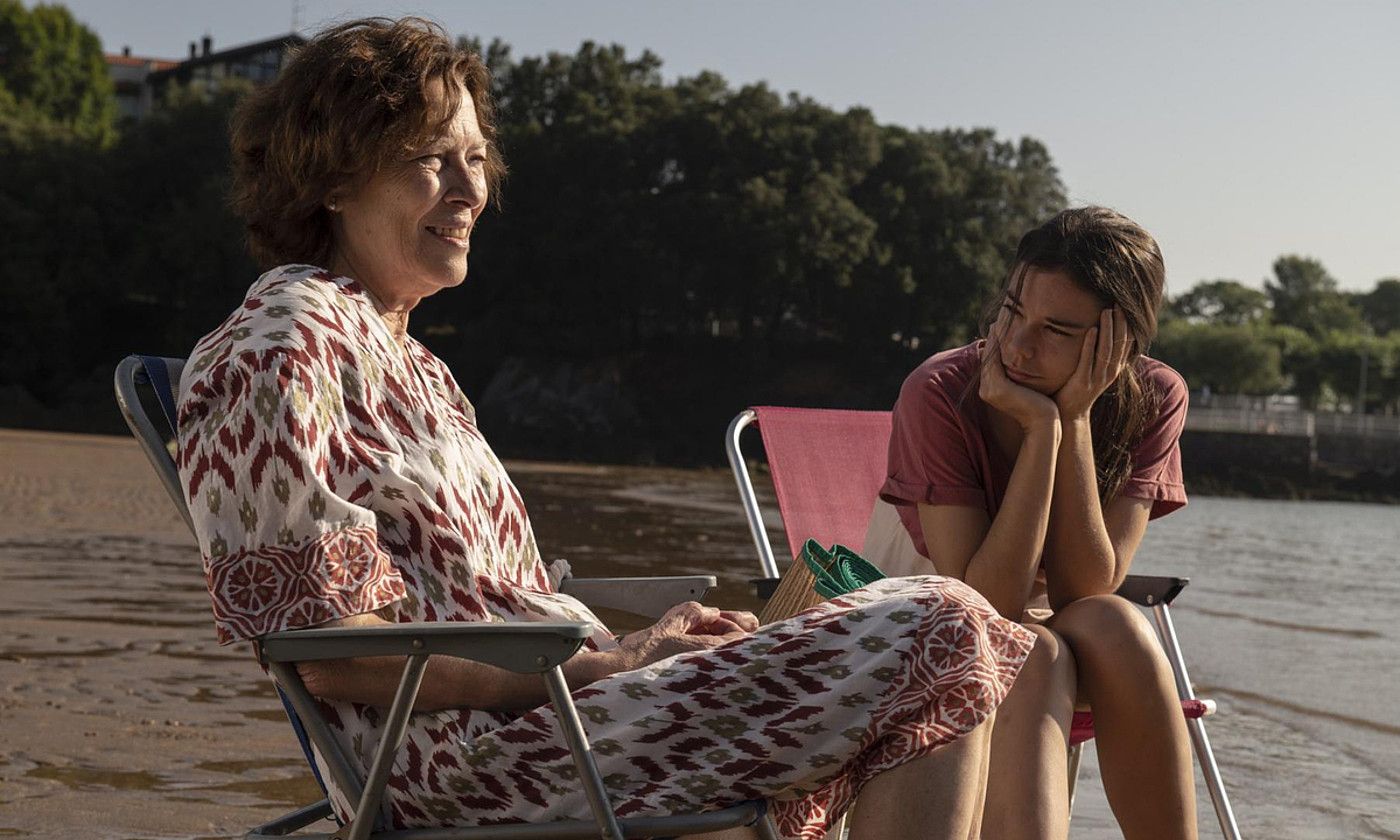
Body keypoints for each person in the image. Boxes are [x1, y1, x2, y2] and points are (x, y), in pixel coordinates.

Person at [175, 17, 1035, 839]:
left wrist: (636, 645)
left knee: (920, 627)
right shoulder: (280, 345)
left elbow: (480, 597)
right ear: (331, 176)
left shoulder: (413, 363)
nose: (472, 189)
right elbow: (330, 655)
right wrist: (595, 666)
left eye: (476, 158)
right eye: (432, 160)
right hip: (463, 761)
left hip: (560, 716)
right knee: (944, 622)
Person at [868, 206, 1196, 839]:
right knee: (1033, 650)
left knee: (1120, 621)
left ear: (1116, 342)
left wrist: (1074, 421)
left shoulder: (1155, 396)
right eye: (1012, 310)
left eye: (1055, 329)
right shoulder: (939, 390)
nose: (1015, 345)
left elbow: (1084, 590)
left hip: (1043, 623)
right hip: (917, 620)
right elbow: (985, 603)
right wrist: (1042, 428)